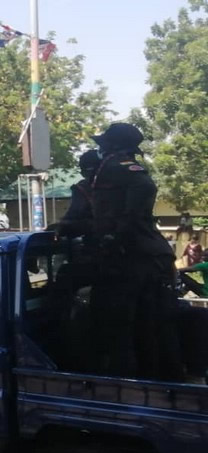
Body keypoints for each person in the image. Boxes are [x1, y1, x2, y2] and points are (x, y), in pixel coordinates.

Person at [89, 122, 182, 381]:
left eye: (104, 142)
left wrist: (119, 231)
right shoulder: (114, 166)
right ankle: (159, 378)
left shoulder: (118, 166)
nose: (101, 147)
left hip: (134, 257)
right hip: (141, 256)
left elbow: (145, 188)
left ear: (114, 144)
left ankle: (130, 383)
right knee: (149, 324)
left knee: (125, 325)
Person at [55, 149, 101, 239]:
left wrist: (59, 228)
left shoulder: (83, 188)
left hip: (98, 240)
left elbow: (74, 213)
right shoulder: (125, 181)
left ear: (83, 171)